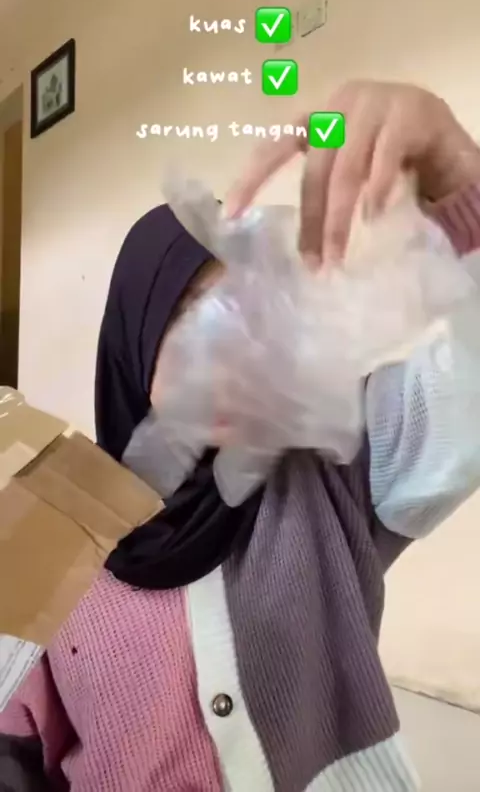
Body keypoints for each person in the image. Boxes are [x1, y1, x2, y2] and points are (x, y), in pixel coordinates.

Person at [1, 80, 480, 792]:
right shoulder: (55, 536)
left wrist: (458, 177)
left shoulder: (336, 466)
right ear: (135, 334)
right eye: (197, 313)